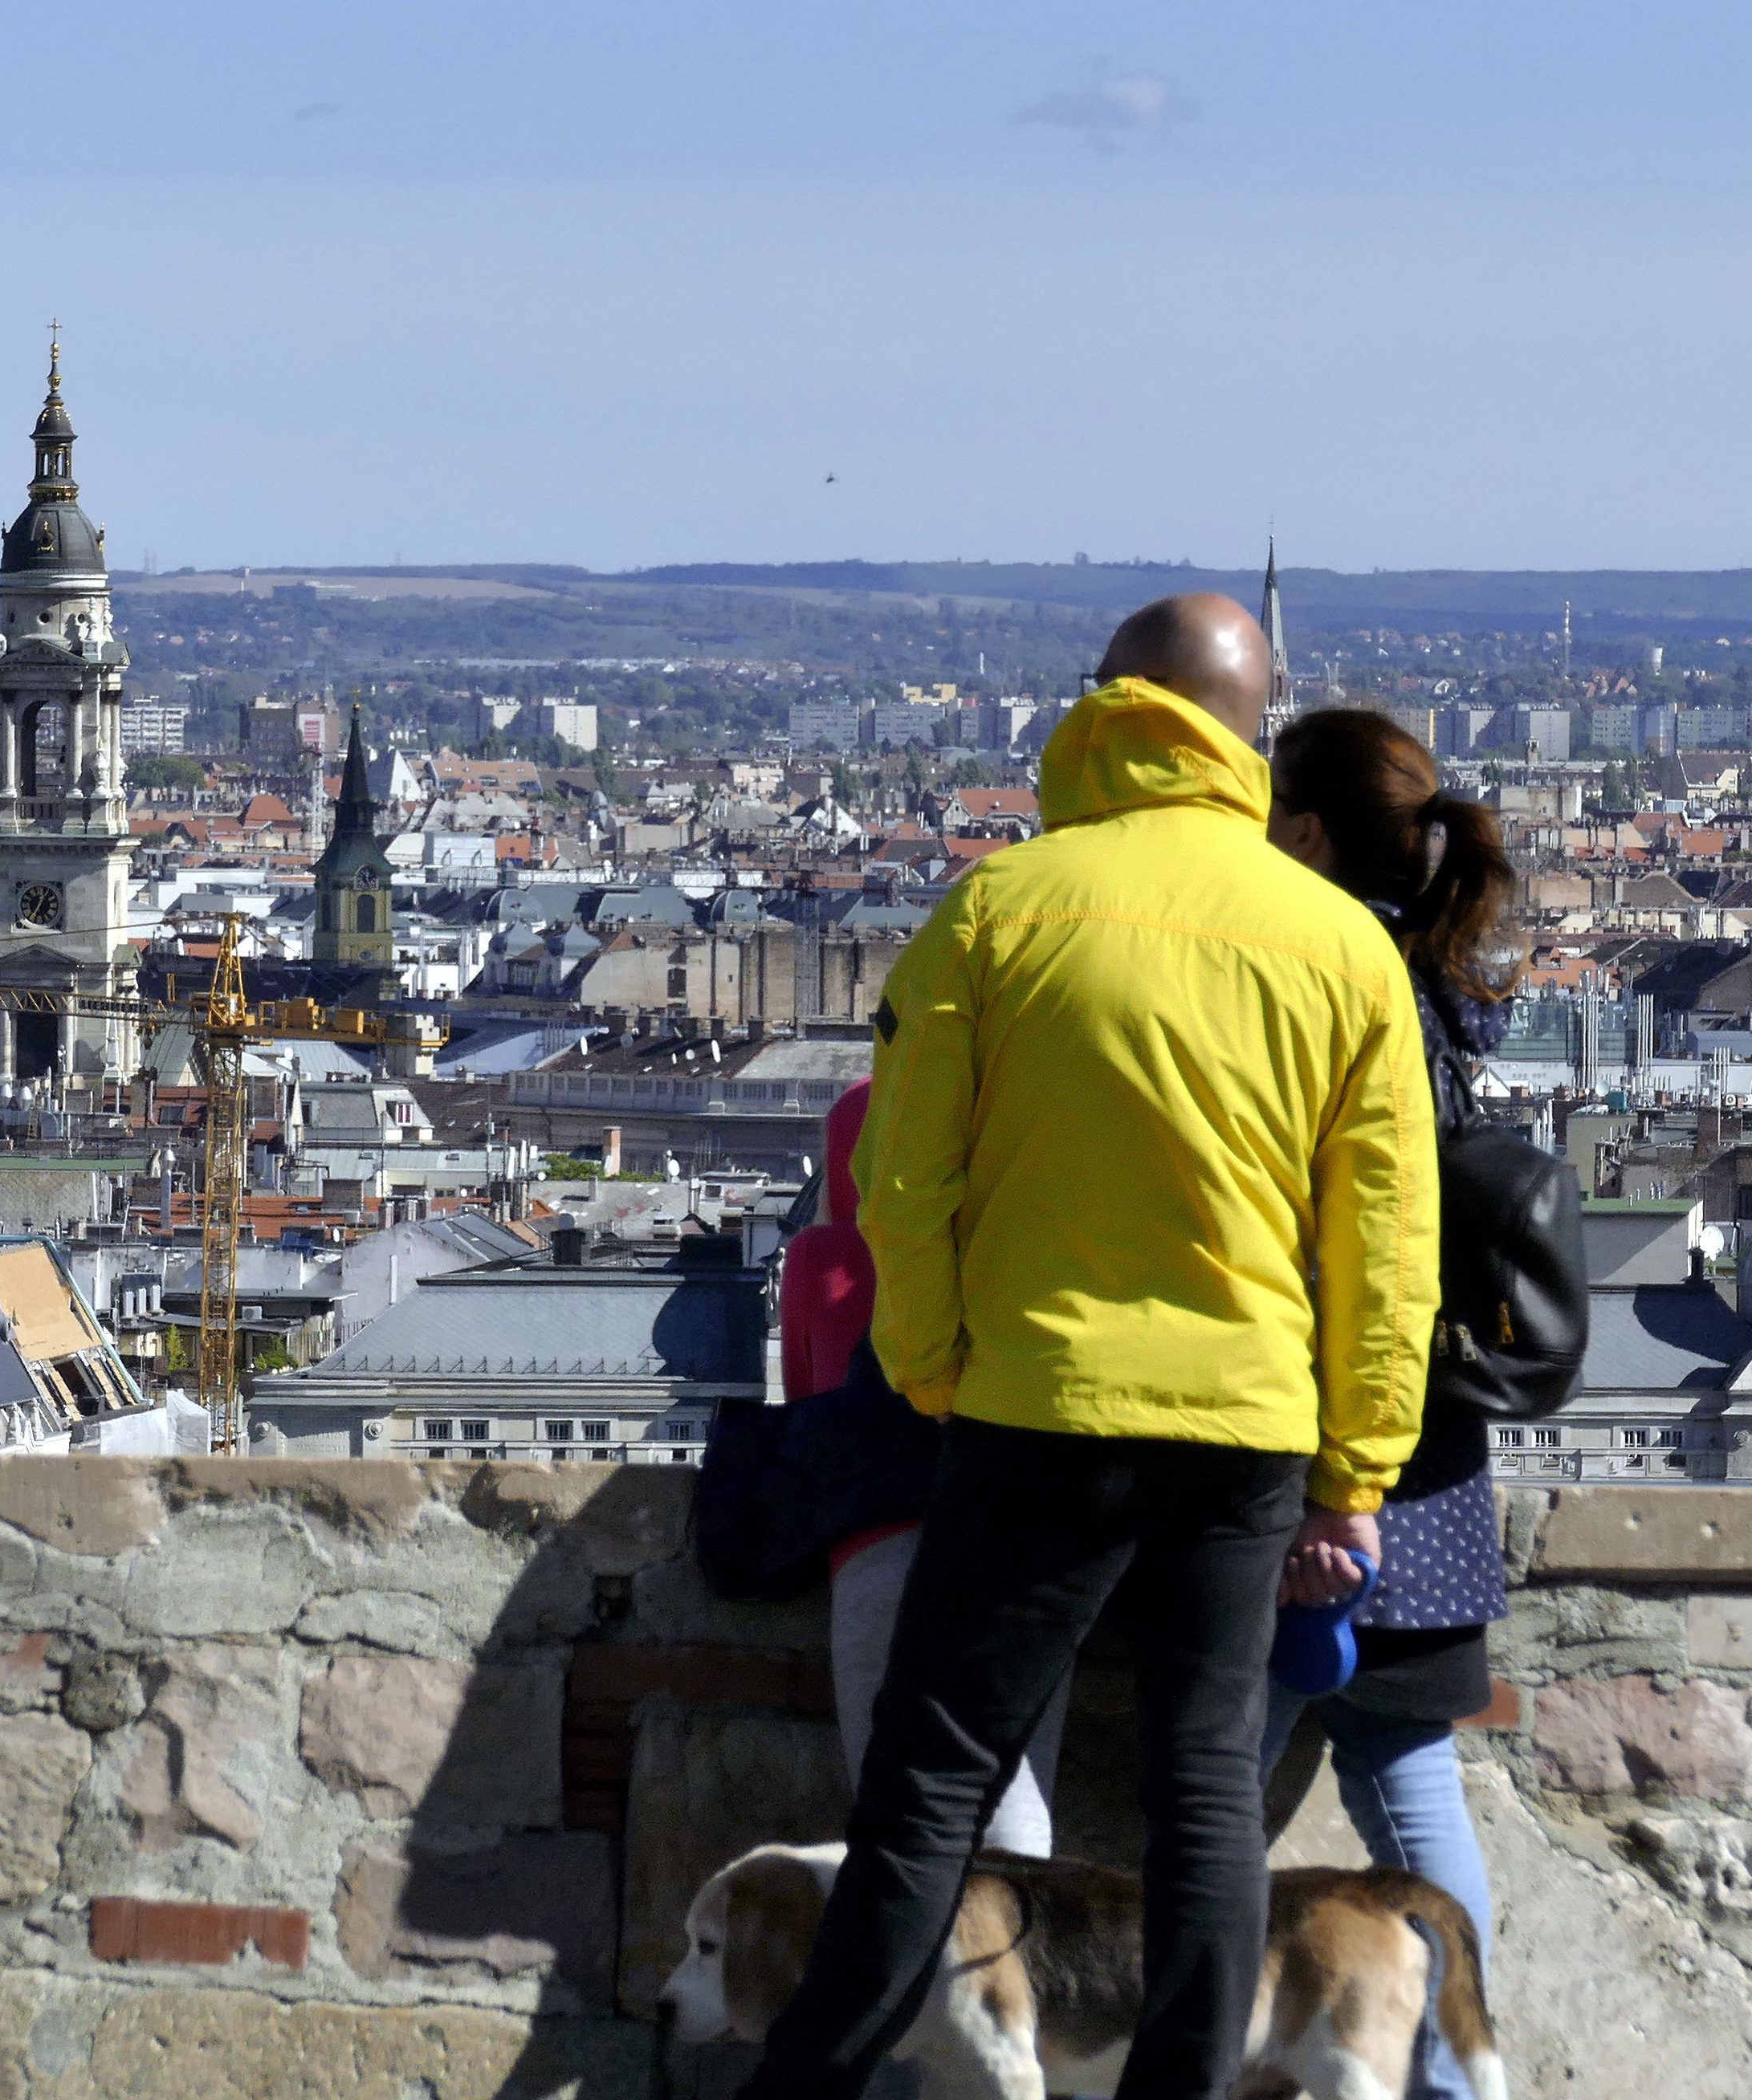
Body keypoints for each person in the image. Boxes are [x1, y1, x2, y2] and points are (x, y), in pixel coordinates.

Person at [744, 595, 1440, 2100]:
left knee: (930, 1791)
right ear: (1246, 737)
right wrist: (1357, 1471)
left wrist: (935, 1369)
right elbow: (1384, 1249)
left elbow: (898, 1184)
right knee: (1205, 1801)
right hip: (1245, 1429)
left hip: (1036, 1405)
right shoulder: (1337, 946)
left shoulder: (1002, 909)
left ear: (1112, 707)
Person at [1261, 704, 1523, 2100]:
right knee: (1413, 1796)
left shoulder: (1329, 979)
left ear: (1304, 832)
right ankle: (1466, 2081)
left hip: (1323, 1452)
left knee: (1205, 1790)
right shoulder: (1437, 989)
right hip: (1428, 1459)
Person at [782, 1081, 1062, 1850]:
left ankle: (926, 1968)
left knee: (891, 1809)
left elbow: (805, 1411)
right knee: (1015, 1792)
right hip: (1026, 1528)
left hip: (872, 1540)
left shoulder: (821, 1259)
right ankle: (1013, 1959)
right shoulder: (1022, 1245)